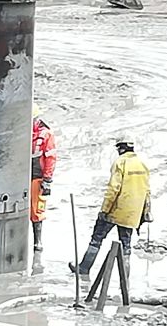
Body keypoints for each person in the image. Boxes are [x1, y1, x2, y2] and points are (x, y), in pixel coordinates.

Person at [69, 135, 151, 276]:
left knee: (97, 238)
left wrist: (104, 210)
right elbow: (147, 190)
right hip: (132, 213)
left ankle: (84, 268)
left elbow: (113, 189)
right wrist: (146, 212)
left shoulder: (120, 162)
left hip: (116, 210)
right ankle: (125, 277)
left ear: (121, 148)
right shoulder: (142, 164)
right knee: (126, 245)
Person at [31, 104, 57, 252]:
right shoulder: (22, 131)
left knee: (37, 210)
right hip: (21, 175)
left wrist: (47, 180)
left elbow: (51, 158)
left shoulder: (46, 135)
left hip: (37, 176)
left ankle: (37, 241)